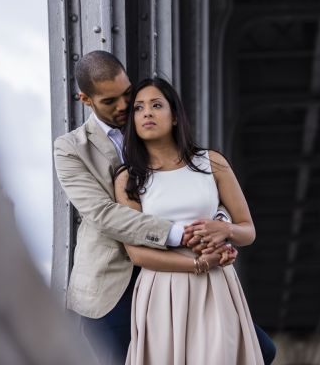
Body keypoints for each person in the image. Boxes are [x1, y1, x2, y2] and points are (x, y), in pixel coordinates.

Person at [53, 51, 275, 365]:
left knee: (259, 349)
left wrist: (219, 225)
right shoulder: (71, 148)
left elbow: (198, 188)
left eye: (128, 95)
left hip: (185, 272)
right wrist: (182, 234)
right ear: (86, 100)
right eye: (109, 101)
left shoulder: (200, 158)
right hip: (114, 281)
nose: (125, 107)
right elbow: (103, 214)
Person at [115, 76, 263, 364]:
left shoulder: (212, 162)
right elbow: (136, 253)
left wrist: (225, 229)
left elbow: (248, 231)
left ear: (173, 116)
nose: (146, 113)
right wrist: (196, 264)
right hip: (161, 289)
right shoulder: (128, 178)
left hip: (215, 285)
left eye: (156, 105)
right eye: (138, 108)